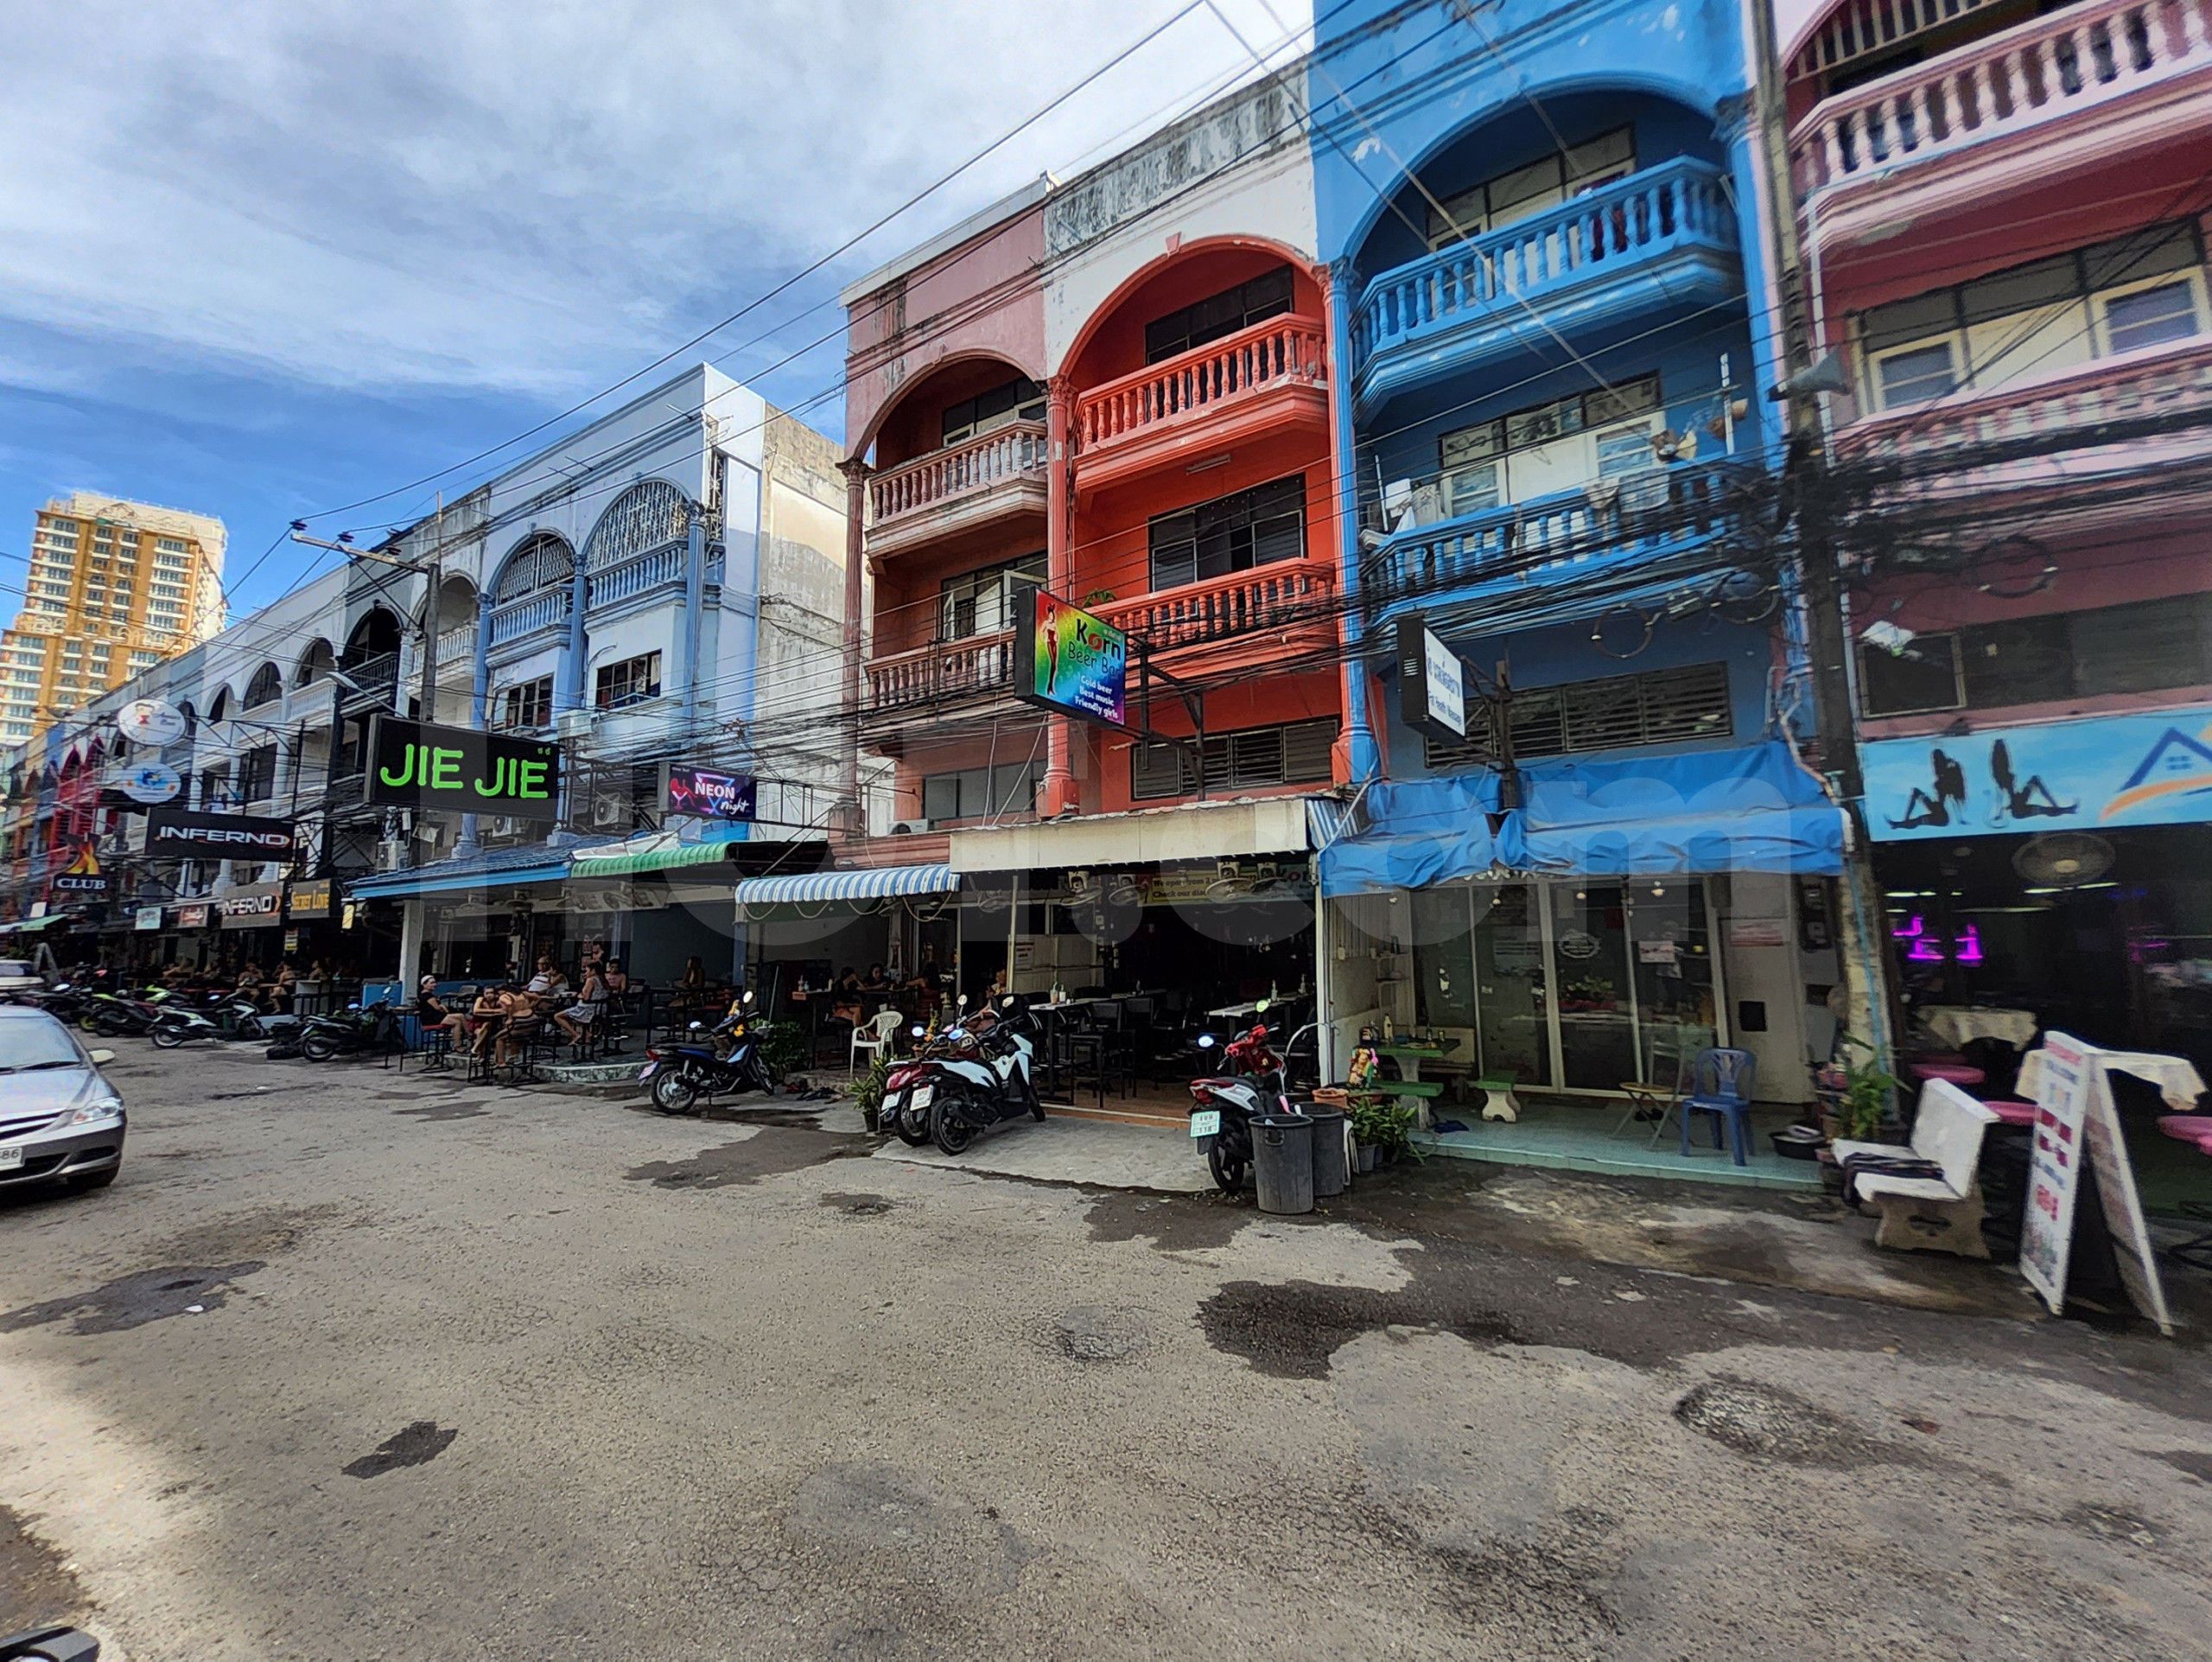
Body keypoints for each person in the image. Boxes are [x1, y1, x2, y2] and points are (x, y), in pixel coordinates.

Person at [555, 962, 607, 1046]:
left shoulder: (591, 980)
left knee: (558, 1016)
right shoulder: (602, 979)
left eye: (587, 971)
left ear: (593, 970)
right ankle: (587, 1035)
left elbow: (586, 997)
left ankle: (576, 1035)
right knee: (573, 1017)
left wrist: (578, 995)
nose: (586, 973)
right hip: (600, 1009)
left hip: (588, 1009)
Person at [417, 977, 470, 1051]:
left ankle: (469, 1035)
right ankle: (458, 1046)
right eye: (431, 983)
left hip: (436, 1016)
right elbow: (438, 1008)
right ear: (424, 985)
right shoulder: (427, 995)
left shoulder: (429, 995)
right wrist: (444, 1008)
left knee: (461, 1015)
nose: (434, 984)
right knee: (457, 1022)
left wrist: (443, 1007)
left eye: (435, 982)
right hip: (432, 1018)